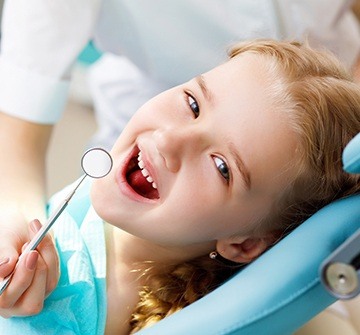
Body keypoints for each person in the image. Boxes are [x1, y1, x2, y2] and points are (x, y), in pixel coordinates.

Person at [0, 39, 359, 334]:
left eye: (222, 168)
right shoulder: (97, 209)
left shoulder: (70, 315)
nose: (170, 139)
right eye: (193, 104)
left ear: (245, 242)